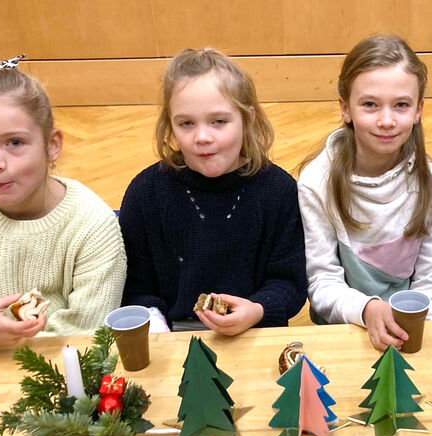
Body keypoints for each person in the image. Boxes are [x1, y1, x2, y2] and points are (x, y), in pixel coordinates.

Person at [0, 56, 126, 354]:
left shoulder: (93, 225)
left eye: (14, 142)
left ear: (52, 144)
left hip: (58, 373)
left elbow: (87, 334)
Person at [119, 48, 307, 334]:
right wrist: (156, 325)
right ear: (170, 125)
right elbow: (135, 286)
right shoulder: (146, 193)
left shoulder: (278, 191)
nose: (203, 137)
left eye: (219, 121)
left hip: (258, 332)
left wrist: (258, 309)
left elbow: (289, 282)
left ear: (248, 118)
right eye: (186, 123)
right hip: (172, 336)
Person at [298, 35, 432, 351]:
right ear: (346, 108)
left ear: (419, 110)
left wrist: (428, 339)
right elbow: (322, 283)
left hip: (408, 331)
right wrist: (366, 309)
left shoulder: (430, 180)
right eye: (370, 104)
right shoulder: (317, 181)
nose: (386, 120)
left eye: (401, 105)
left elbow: (431, 280)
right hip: (344, 330)